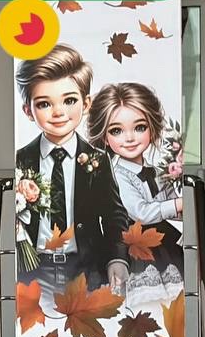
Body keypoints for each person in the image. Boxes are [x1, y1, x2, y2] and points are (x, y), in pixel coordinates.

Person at [14, 44, 130, 302]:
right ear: (28, 111)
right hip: (33, 272)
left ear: (86, 103)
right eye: (44, 104)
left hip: (87, 269)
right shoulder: (20, 161)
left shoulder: (98, 160)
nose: (58, 112)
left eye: (69, 100)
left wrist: (117, 258)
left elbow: (114, 214)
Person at [89, 81, 184, 307]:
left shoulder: (156, 170)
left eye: (139, 127)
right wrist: (179, 204)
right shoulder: (115, 175)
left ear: (152, 128)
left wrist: (185, 205)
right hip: (136, 247)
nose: (129, 138)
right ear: (105, 137)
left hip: (165, 242)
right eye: (117, 131)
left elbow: (167, 204)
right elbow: (141, 212)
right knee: (149, 305)